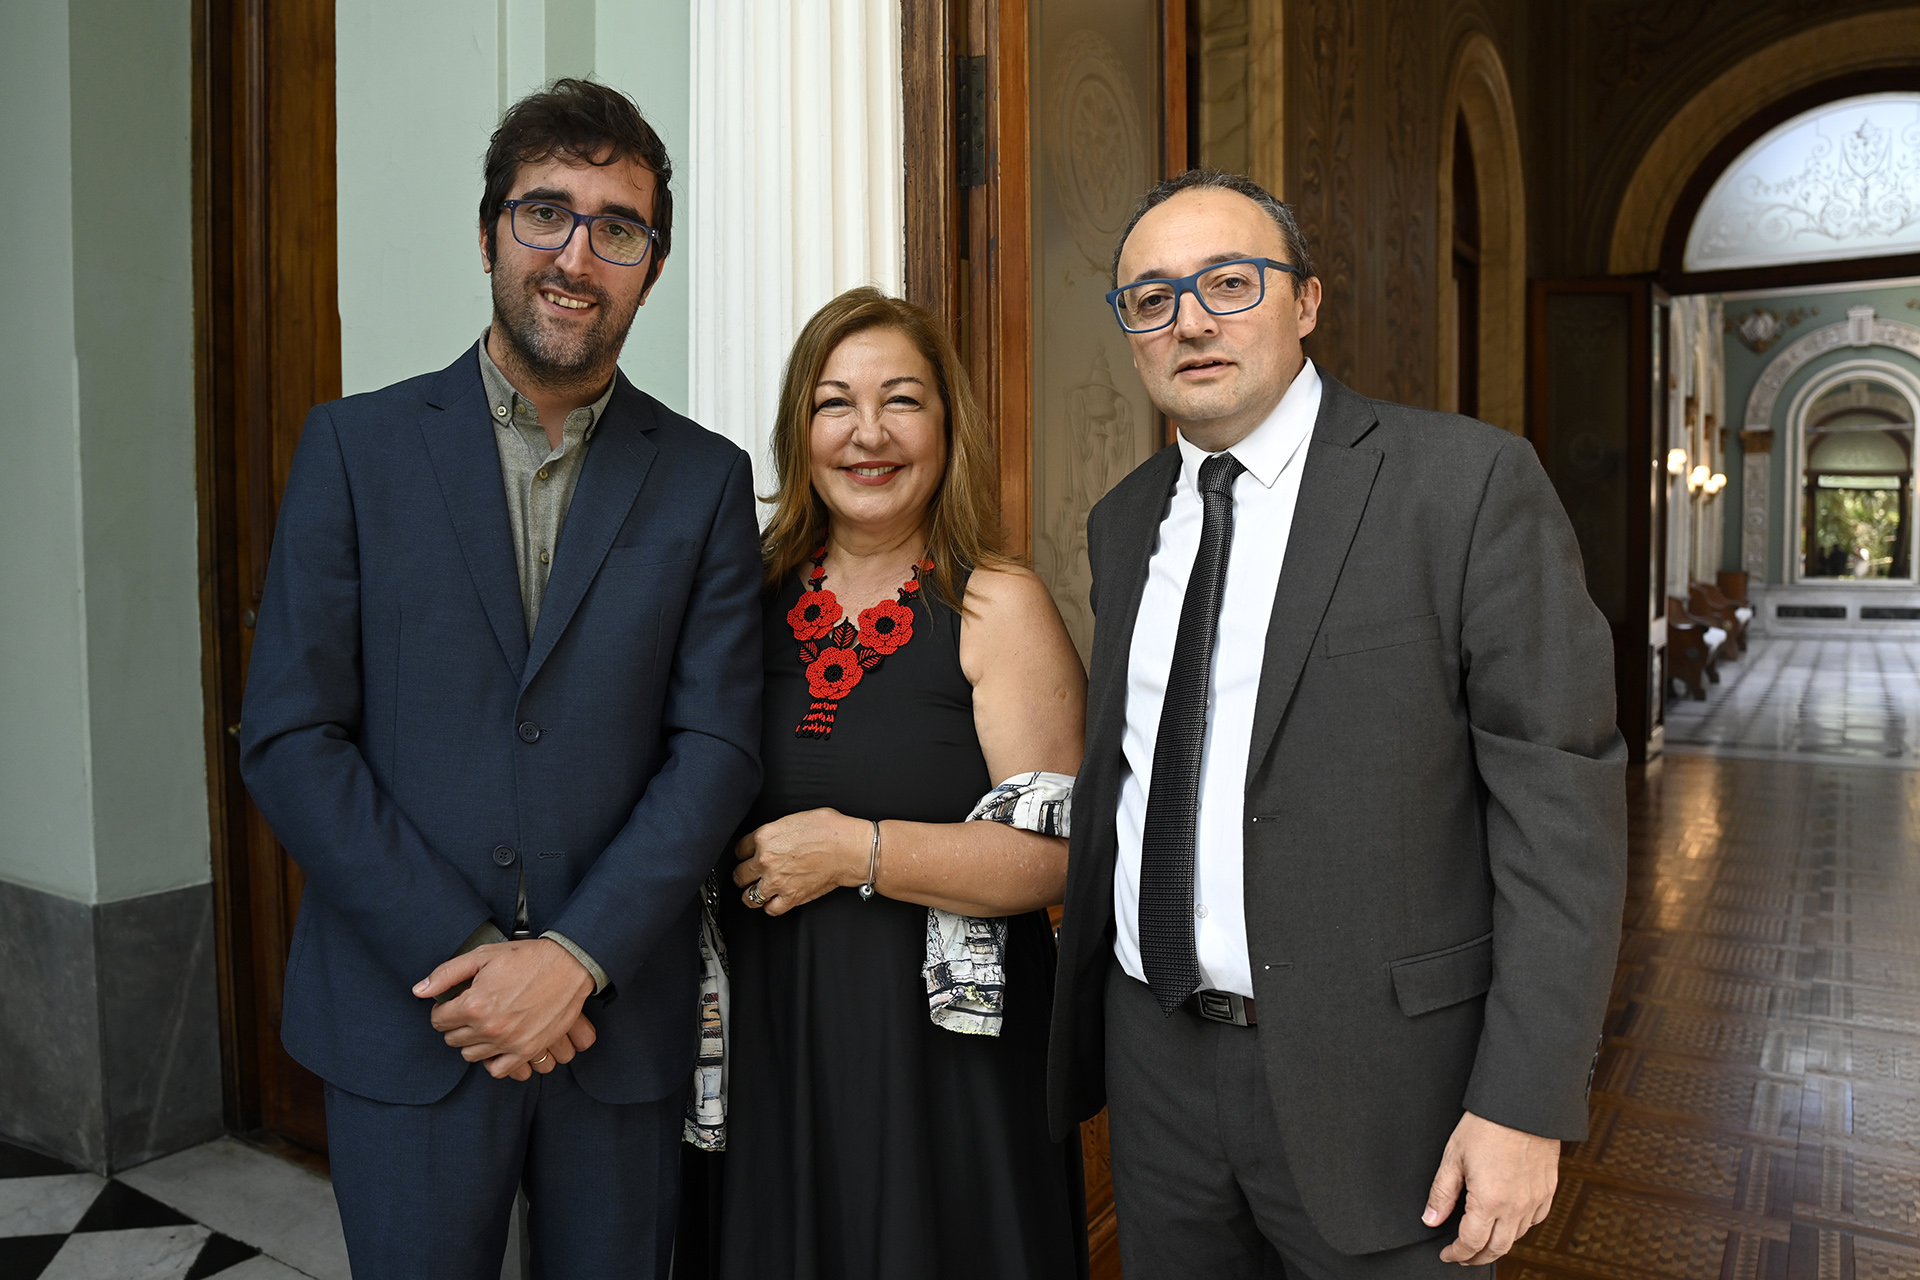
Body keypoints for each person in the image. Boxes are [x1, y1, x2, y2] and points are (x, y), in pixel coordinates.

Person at [1047, 168, 1629, 1277]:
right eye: (1153, 298)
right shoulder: (1123, 523)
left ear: (1306, 300)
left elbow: (1563, 817)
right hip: (1156, 1069)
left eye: (1229, 282)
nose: (1191, 321)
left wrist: (1525, 1098)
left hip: (1387, 1089)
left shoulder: (1462, 485)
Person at [238, 79, 762, 1278]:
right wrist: (474, 956)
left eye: (617, 228)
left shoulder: (706, 479)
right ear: (487, 236)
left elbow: (718, 746)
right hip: (410, 1009)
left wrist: (574, 956)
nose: (576, 255)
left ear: (652, 267)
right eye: (545, 213)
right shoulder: (354, 448)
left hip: (614, 1023)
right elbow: (293, 733)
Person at [711, 287, 1090, 1280]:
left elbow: (1056, 856)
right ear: (799, 431)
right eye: (834, 402)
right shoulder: (738, 596)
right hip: (771, 1038)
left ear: (948, 427)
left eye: (902, 401)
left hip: (946, 1060)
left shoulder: (997, 604)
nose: (868, 433)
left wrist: (856, 850)